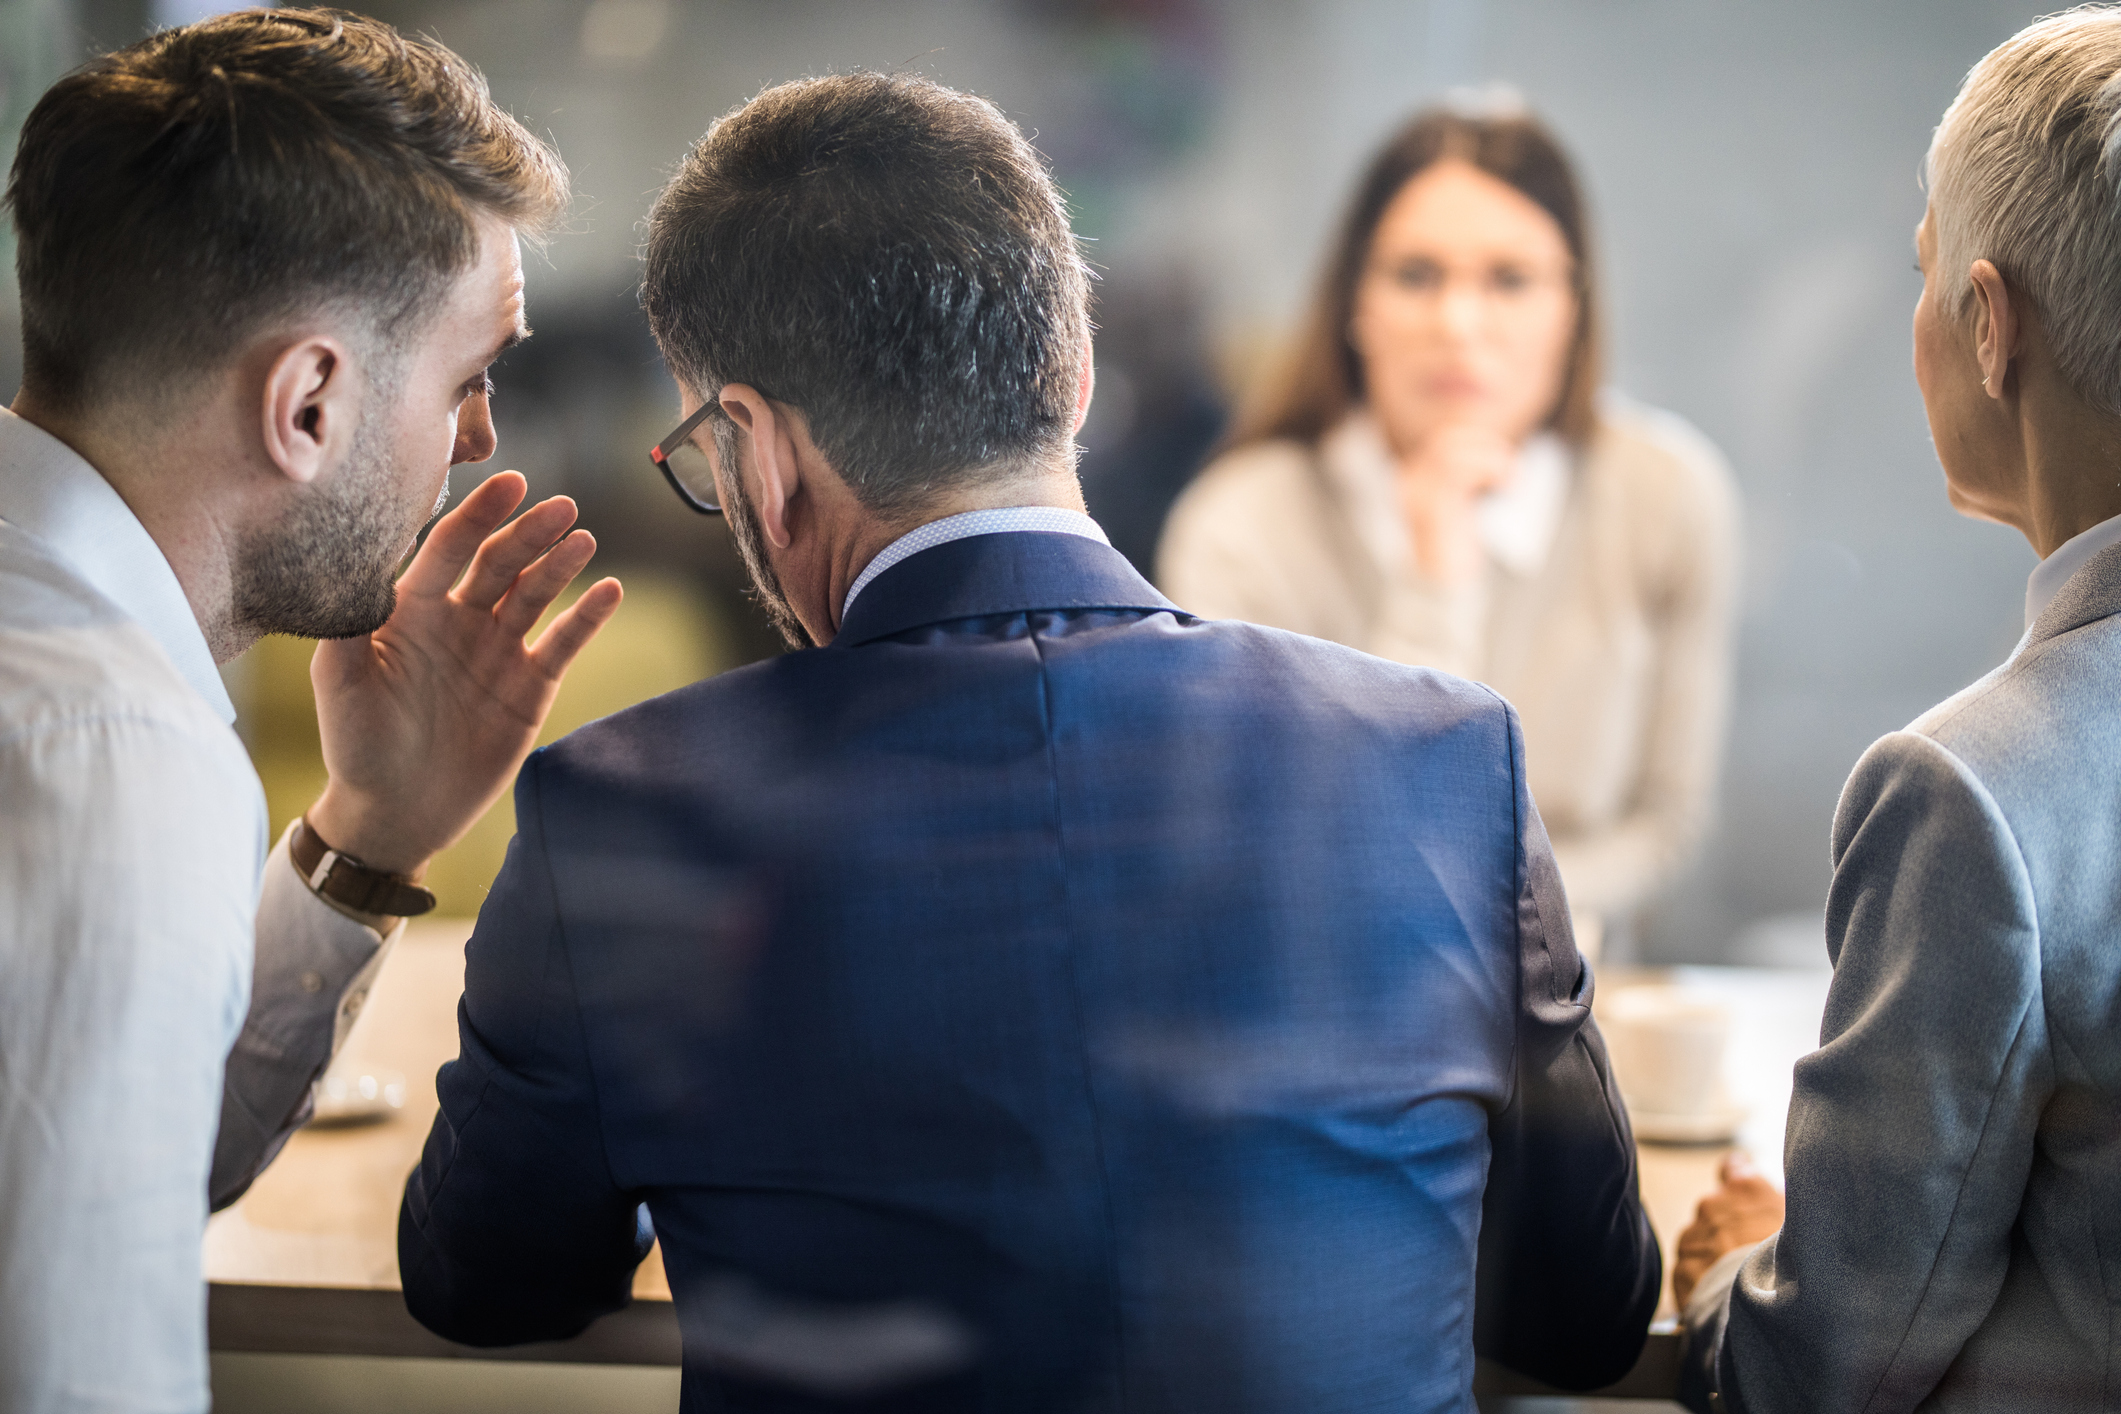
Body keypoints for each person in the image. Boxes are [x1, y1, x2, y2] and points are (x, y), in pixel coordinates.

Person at [397, 71, 1659, 1412]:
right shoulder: (1447, 764)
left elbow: (490, 1279)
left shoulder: (623, 810)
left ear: (758, 449)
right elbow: (1584, 1313)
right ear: (1075, 367)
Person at [0, 11, 621, 1412]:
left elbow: (132, 1165)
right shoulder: (104, 758)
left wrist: (371, 831)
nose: (480, 440)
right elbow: (72, 1376)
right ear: (309, 404)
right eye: (469, 378)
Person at [1675, 10, 2121, 1410]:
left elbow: (1829, 1367)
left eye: (1926, 282)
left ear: (1990, 327)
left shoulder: (1977, 793)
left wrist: (1730, 1279)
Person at [1157, 104, 1739, 944]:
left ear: (1572, 307)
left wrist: (1502, 914)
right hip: (1340, 999)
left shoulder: (1666, 494)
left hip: (1577, 1008)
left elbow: (1668, 819)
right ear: (1354, 302)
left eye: (1509, 280)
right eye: (1415, 275)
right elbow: (1304, 854)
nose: (1458, 324)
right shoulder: (1239, 526)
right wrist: (1434, 574)